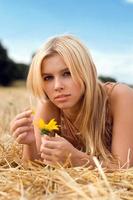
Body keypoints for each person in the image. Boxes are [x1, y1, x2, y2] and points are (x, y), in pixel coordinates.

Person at [10, 34, 133, 169]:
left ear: (86, 71)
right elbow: (37, 169)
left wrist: (78, 159)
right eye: (48, 78)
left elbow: (124, 168)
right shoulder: (48, 106)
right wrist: (30, 144)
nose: (57, 86)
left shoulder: (120, 96)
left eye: (67, 73)